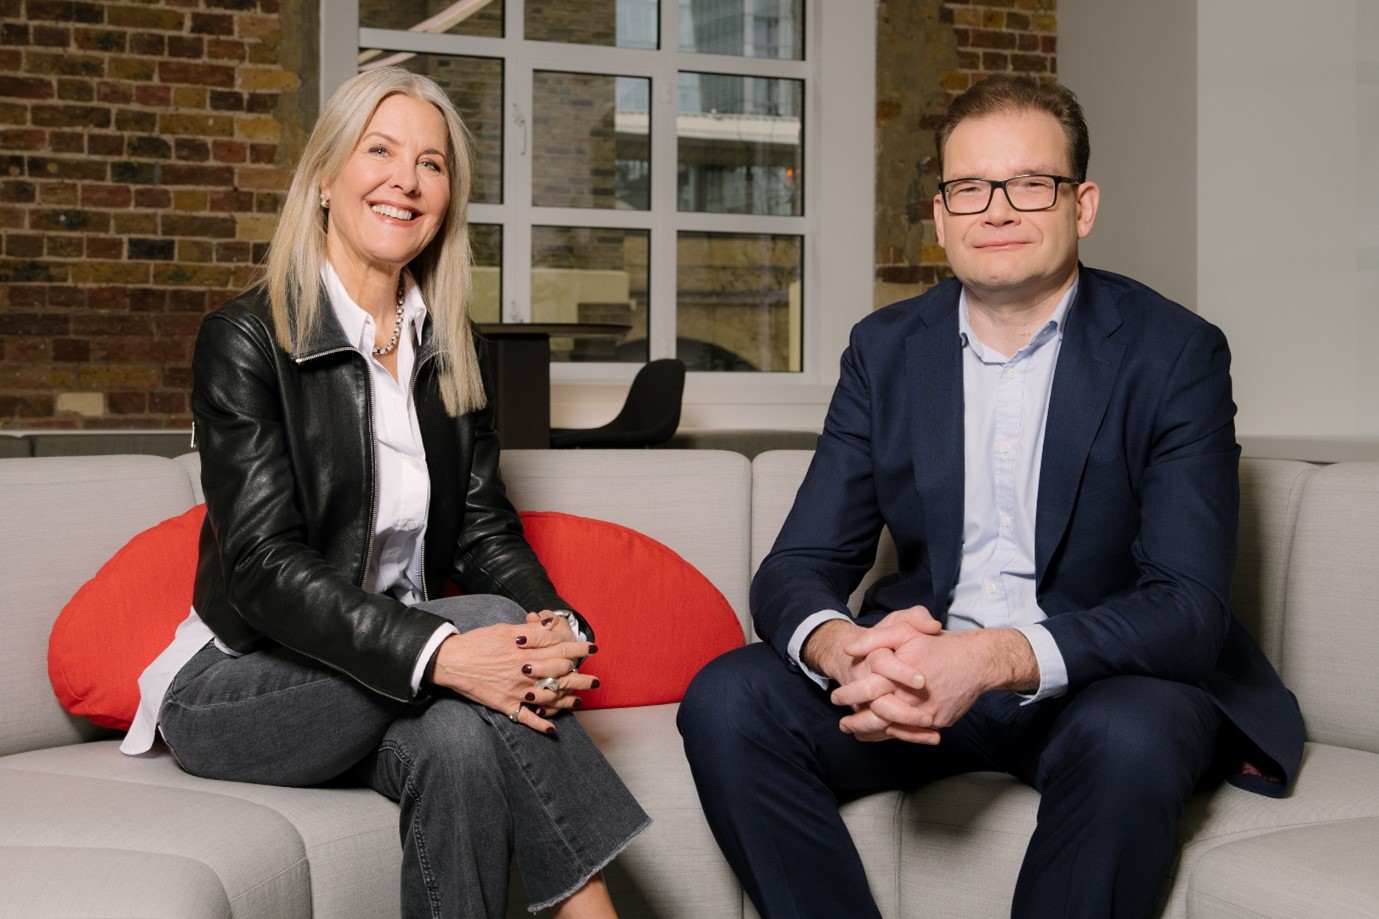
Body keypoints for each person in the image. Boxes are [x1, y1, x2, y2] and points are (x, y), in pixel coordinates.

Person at [677, 74, 1303, 919]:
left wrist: (988, 659)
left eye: (1028, 185)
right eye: (969, 188)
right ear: (939, 216)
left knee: (1132, 734)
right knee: (728, 697)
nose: (996, 210)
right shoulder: (884, 349)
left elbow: (1186, 609)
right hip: (923, 671)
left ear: (1080, 206)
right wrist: (843, 650)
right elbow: (799, 563)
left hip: (1098, 680)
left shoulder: (1174, 352)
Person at [119, 67, 648, 919]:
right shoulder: (246, 337)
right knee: (475, 620)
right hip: (240, 687)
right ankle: (592, 910)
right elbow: (259, 565)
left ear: (448, 198)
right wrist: (447, 648)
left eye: (431, 163)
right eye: (380, 150)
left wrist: (556, 627)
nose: (406, 179)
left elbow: (484, 529)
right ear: (326, 179)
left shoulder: (450, 345)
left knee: (461, 746)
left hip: (390, 676)